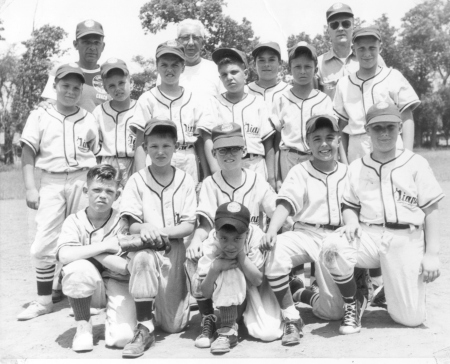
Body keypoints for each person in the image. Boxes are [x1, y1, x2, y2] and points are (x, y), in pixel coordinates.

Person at [321, 102, 444, 335]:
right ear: (367, 130)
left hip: (405, 238)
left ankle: (386, 290)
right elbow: (349, 204)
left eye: (390, 126)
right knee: (332, 247)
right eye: (378, 128)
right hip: (369, 234)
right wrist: (352, 221)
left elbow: (431, 210)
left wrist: (432, 254)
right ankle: (354, 301)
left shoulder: (416, 163)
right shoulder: (357, 167)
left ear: (399, 127)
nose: (385, 133)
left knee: (410, 319)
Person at [18, 64, 99, 320]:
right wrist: (31, 187)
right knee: (44, 241)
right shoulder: (39, 115)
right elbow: (28, 153)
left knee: (85, 238)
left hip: (81, 179)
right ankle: (44, 301)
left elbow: (94, 150)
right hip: (51, 181)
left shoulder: (88, 117)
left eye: (76, 87)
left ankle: (91, 296)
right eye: (65, 85)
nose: (71, 91)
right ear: (55, 86)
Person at [186, 123, 277, 348]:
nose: (229, 154)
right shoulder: (210, 183)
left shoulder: (256, 179)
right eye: (223, 150)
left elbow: (276, 212)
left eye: (234, 148)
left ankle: (237, 316)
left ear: (244, 150)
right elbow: (206, 225)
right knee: (194, 255)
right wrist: (196, 240)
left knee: (267, 331)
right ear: (214, 153)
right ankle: (209, 317)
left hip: (251, 255)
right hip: (225, 250)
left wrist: (273, 233)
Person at [261, 114, 347, 346]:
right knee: (275, 250)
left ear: (339, 140)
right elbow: (286, 203)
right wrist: (272, 229)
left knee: (333, 313)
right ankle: (291, 317)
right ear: (308, 142)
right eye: (317, 138)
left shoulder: (348, 172)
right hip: (306, 233)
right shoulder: (300, 171)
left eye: (330, 137)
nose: (324, 144)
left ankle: (301, 292)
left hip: (336, 240)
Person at [119, 118, 197, 357]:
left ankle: (154, 310)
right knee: (142, 258)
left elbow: (188, 225)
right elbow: (130, 224)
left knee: (175, 326)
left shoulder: (185, 179)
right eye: (153, 146)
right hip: (148, 250)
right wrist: (144, 227)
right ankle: (144, 325)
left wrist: (159, 230)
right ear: (145, 148)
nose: (160, 151)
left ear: (175, 146)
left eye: (166, 145)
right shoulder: (137, 179)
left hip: (174, 251)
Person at [56, 164, 135, 352]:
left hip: (118, 282)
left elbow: (125, 267)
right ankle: (83, 325)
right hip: (87, 288)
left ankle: (118, 316)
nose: (102, 195)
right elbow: (64, 255)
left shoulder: (123, 222)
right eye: (97, 189)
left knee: (121, 339)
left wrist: (86, 251)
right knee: (77, 268)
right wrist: (105, 246)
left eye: (109, 191)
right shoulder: (73, 221)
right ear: (86, 190)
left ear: (117, 195)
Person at [193, 202, 282, 354]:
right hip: (230, 285)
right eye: (224, 238)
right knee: (224, 267)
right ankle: (228, 329)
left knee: (269, 333)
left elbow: (258, 280)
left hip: (255, 286)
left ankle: (227, 318)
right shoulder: (212, 241)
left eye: (237, 239)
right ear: (216, 232)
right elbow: (205, 292)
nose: (230, 245)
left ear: (246, 233)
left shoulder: (255, 235)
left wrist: (240, 256)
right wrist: (215, 268)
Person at [334, 25, 420, 164]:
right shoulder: (344, 84)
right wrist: (344, 164)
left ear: (380, 48)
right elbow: (342, 127)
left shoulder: (393, 76)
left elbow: (406, 116)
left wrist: (408, 155)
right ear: (354, 50)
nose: (367, 53)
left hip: (390, 141)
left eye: (372, 48)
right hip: (358, 146)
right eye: (361, 48)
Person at [132, 40, 210, 184]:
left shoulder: (194, 99)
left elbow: (199, 141)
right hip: (156, 158)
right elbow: (140, 143)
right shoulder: (147, 98)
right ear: (157, 66)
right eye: (164, 65)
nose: (170, 69)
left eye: (175, 65)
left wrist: (206, 174)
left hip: (188, 156)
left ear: (183, 67)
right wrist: (139, 177)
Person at [198, 48, 276, 187]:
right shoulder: (213, 103)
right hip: (224, 165)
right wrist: (215, 169)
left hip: (254, 163)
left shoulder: (258, 103)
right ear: (220, 78)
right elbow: (207, 138)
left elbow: (268, 143)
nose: (229, 77)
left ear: (245, 74)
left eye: (234, 72)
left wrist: (271, 177)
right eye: (224, 74)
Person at [271, 42, 334, 184]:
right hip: (289, 157)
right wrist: (277, 177)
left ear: (316, 69)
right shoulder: (281, 99)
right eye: (297, 66)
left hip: (317, 157)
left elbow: (332, 138)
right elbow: (276, 140)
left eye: (308, 66)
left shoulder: (324, 100)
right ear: (289, 69)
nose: (302, 71)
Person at [317, 3, 386, 101]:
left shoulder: (374, 58)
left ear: (353, 27)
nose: (340, 28)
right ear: (328, 30)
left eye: (346, 24)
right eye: (334, 25)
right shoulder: (318, 64)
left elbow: (387, 89)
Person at [41, 20, 109, 113]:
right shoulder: (60, 72)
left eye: (97, 43)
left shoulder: (109, 76)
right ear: (76, 44)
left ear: (103, 46)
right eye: (86, 42)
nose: (92, 47)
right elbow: (49, 105)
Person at [248, 41, 289, 191]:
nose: (266, 64)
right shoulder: (244, 91)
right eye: (261, 60)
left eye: (271, 59)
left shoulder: (289, 91)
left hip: (282, 155)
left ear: (280, 63)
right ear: (254, 64)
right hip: (253, 156)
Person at [93, 58, 136, 188]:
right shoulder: (99, 111)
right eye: (111, 85)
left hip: (134, 162)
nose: (117, 89)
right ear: (105, 89)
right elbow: (93, 147)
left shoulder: (142, 108)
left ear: (131, 82)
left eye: (121, 83)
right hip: (107, 162)